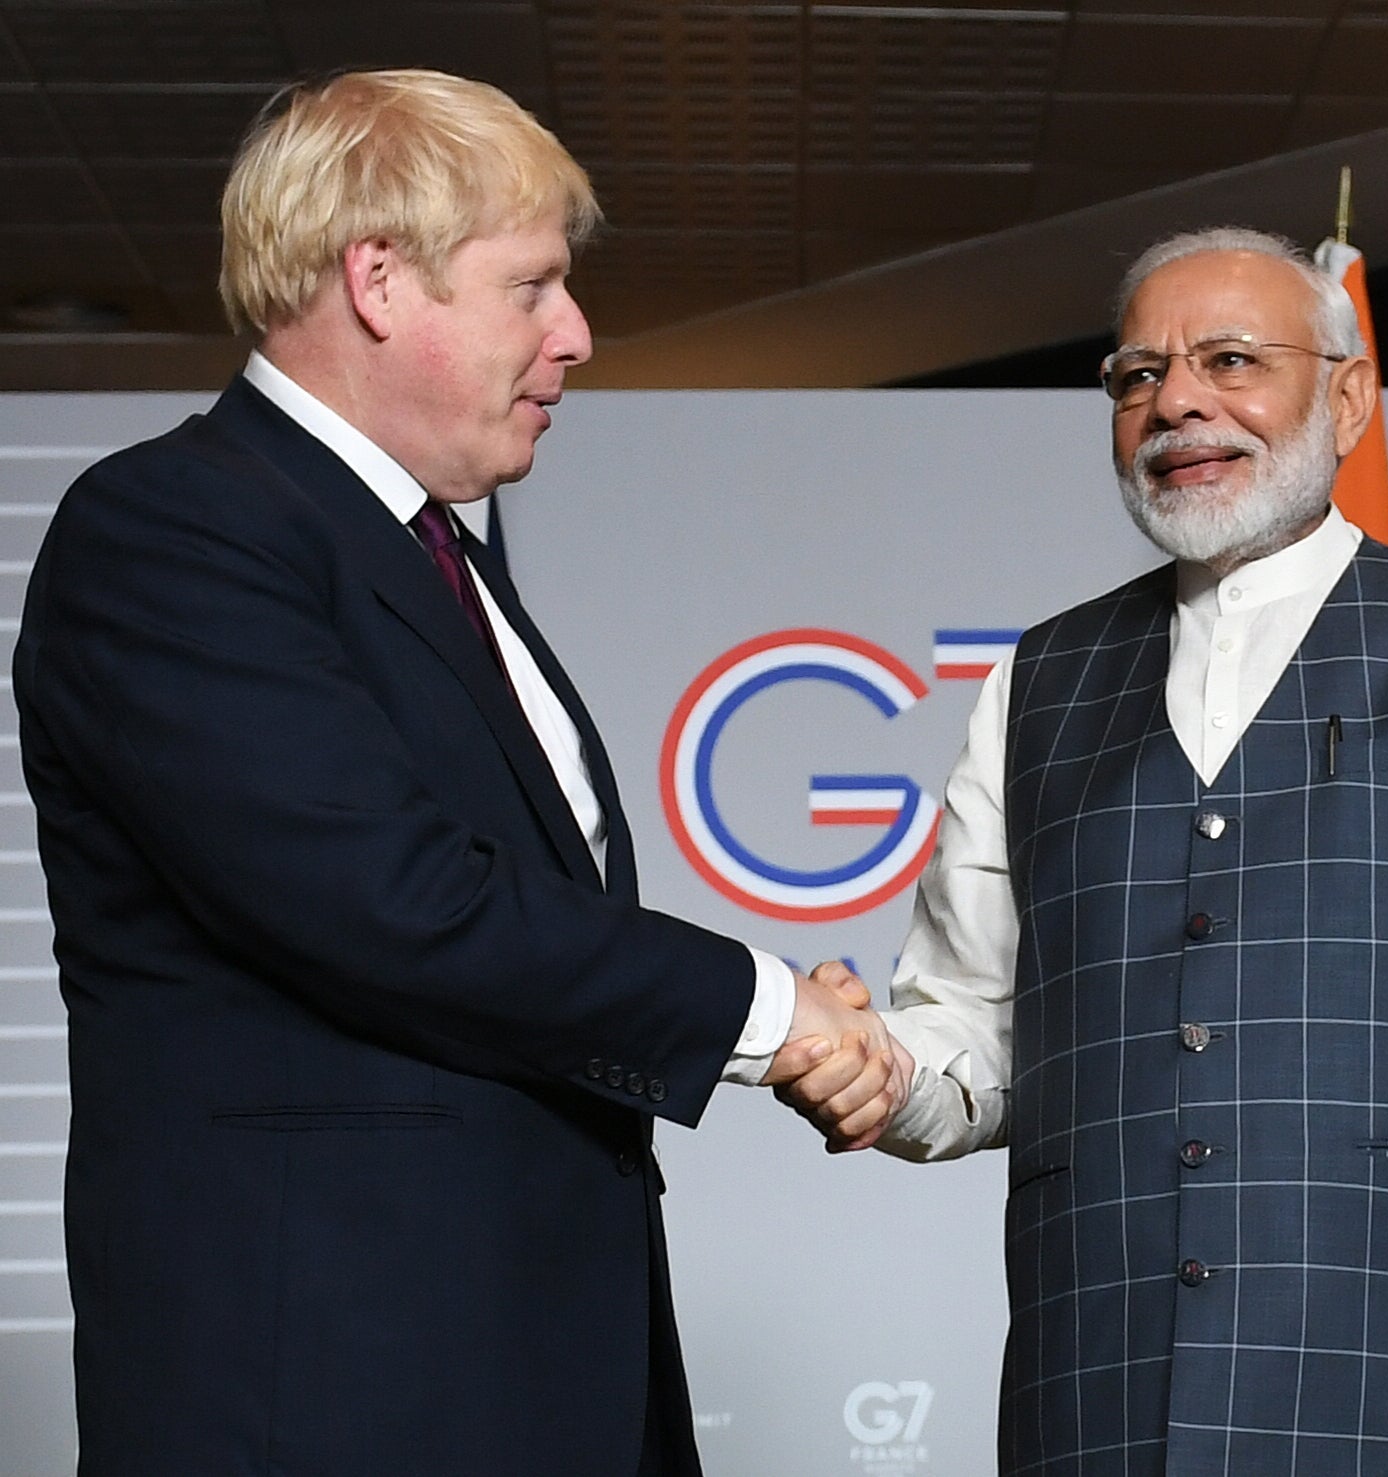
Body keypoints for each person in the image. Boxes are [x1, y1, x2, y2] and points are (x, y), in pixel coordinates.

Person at [15, 69, 902, 1477]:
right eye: (533, 286)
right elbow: (392, 903)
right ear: (378, 280)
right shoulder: (172, 529)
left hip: (528, 1380)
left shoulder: (434, 553)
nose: (577, 334)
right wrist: (767, 1010)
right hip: (329, 1402)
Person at [779, 227, 1388, 1476]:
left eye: (1229, 360)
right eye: (1135, 375)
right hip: (1105, 1411)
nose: (1175, 399)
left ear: (1344, 399)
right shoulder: (1037, 683)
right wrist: (873, 1068)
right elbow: (977, 1040)